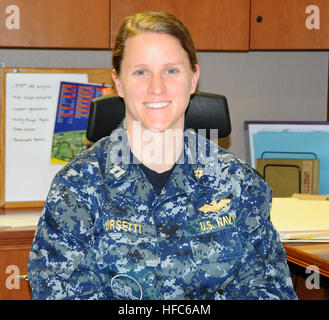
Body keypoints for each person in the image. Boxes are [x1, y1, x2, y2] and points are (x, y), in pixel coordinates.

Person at [28, 11, 297, 300]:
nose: (157, 87)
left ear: (193, 78)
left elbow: (269, 289)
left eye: (171, 70)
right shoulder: (77, 188)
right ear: (118, 83)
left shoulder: (238, 184)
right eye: (141, 71)